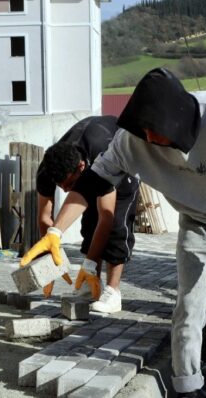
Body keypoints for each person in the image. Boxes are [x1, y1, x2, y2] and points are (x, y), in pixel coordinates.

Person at [20, 67, 206, 397]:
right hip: (197, 222)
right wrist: (56, 234)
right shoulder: (131, 140)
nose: (149, 139)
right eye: (144, 131)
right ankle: (188, 388)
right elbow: (92, 182)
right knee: (188, 309)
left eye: (155, 132)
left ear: (177, 119)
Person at [33, 115, 140, 313]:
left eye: (70, 185)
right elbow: (44, 218)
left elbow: (105, 217)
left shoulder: (103, 153)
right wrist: (51, 261)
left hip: (123, 168)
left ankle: (112, 291)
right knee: (88, 227)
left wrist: (89, 264)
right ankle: (90, 287)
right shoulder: (47, 170)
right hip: (91, 157)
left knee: (117, 226)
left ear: (81, 167)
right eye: (60, 187)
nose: (66, 191)